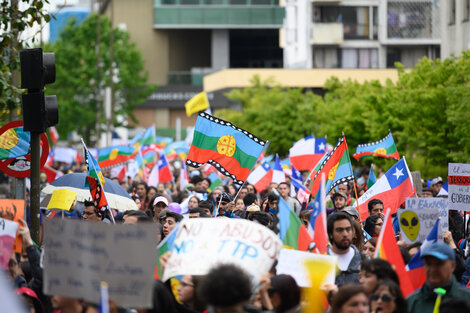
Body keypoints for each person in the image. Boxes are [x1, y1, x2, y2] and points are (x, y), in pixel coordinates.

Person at [407, 242, 470, 313]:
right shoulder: (411, 302)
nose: (433, 269)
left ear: (452, 266)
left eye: (438, 264)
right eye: (428, 264)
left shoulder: (467, 298)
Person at [327, 213, 364, 287]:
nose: (345, 234)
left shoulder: (364, 261)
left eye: (348, 229)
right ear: (331, 234)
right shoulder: (321, 260)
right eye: (339, 230)